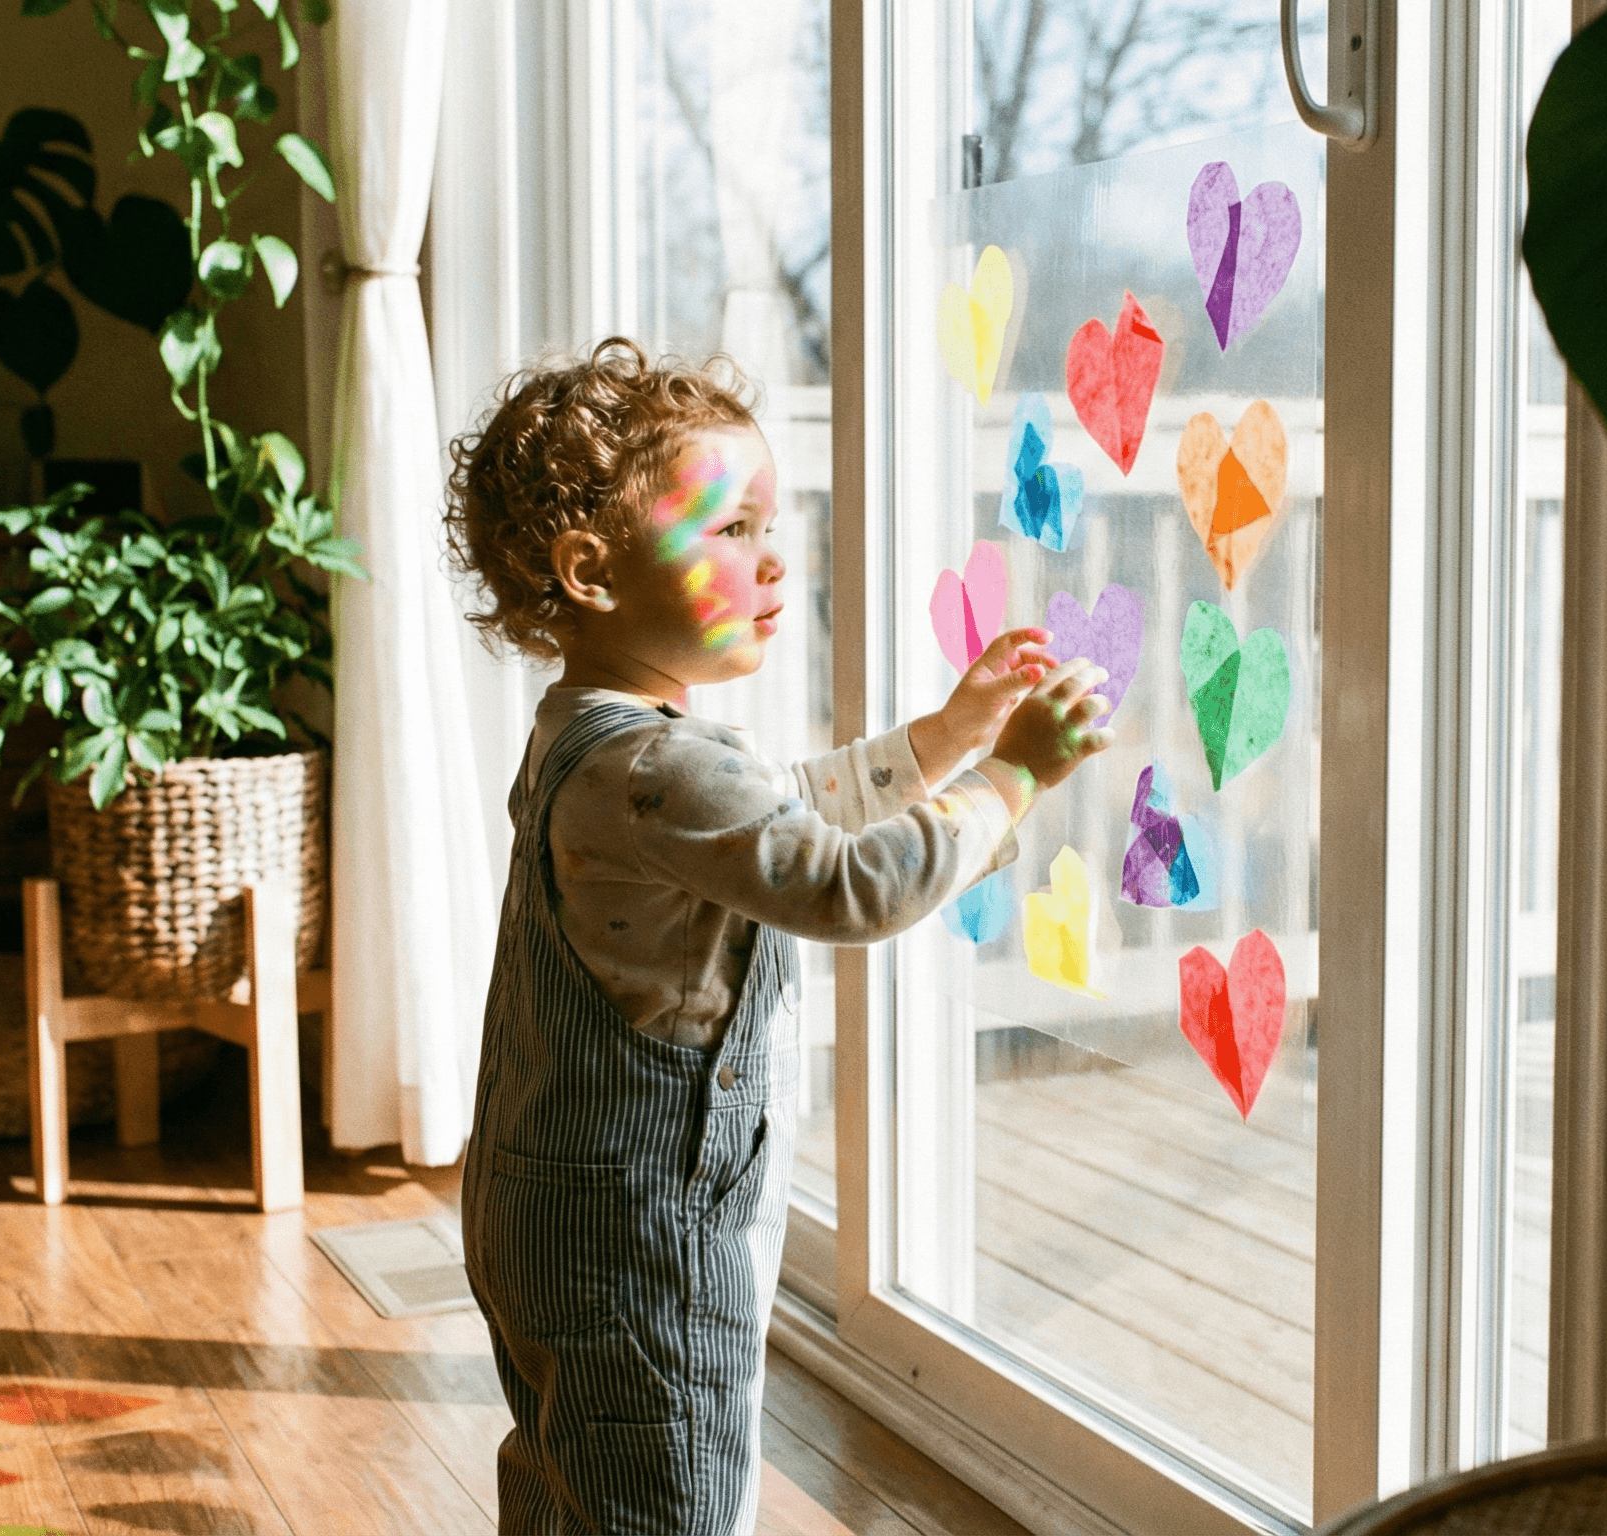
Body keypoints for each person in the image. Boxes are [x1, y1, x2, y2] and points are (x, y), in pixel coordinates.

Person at [443, 337, 1112, 1534]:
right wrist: (1008, 781)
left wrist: (940, 738)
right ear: (590, 570)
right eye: (732, 529)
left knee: (565, 1485)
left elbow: (779, 815)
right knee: (667, 1503)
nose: (773, 560)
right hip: (638, 1250)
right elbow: (845, 884)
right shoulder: (659, 764)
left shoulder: (587, 735)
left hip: (542, 1211)